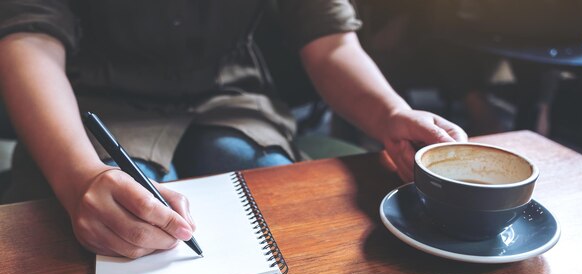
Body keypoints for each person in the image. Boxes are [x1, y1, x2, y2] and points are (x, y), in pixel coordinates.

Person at [0, 0, 467, 259]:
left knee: (268, 191)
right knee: (115, 225)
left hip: (231, 97)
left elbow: (328, 41)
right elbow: (29, 40)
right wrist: (79, 176)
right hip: (87, 105)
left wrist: (391, 114)